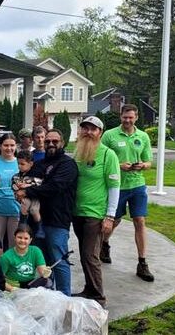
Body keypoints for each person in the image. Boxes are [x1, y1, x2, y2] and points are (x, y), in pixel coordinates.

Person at [15, 128, 77, 296]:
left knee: (58, 260)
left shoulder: (67, 164)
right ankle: (46, 296)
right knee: (41, 262)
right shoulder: (39, 164)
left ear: (62, 143)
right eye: (48, 141)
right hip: (36, 223)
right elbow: (27, 180)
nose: (50, 144)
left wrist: (28, 191)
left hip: (57, 220)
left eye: (54, 141)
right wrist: (21, 189)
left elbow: (54, 187)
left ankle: (64, 297)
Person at [100, 104, 154, 281]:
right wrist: (118, 165)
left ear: (136, 117)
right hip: (117, 186)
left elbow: (149, 162)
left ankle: (142, 262)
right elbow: (101, 158)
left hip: (137, 185)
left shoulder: (143, 136)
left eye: (131, 117)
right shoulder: (109, 135)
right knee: (114, 221)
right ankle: (104, 243)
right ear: (120, 117)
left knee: (140, 221)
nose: (128, 120)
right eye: (125, 117)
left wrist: (142, 165)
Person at [72, 116, 120, 307]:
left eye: (93, 129)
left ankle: (99, 297)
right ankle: (89, 289)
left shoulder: (108, 155)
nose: (88, 132)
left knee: (90, 255)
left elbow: (114, 187)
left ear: (100, 133)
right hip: (78, 212)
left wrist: (110, 216)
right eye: (85, 128)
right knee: (85, 254)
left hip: (96, 214)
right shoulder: (78, 152)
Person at [0, 226, 50, 291]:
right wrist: (12, 289)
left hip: (31, 283)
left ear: (30, 240)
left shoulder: (36, 251)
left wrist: (45, 273)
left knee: (47, 281)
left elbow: (42, 272)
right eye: (19, 237)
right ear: (14, 238)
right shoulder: (6, 257)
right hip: (13, 286)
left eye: (26, 238)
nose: (22, 240)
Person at [12, 150, 44, 238]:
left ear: (31, 164)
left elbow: (41, 183)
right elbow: (13, 186)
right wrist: (17, 187)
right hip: (24, 198)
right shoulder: (17, 176)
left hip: (34, 197)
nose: (19, 166)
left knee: (34, 210)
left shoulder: (36, 174)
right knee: (24, 205)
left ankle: (40, 228)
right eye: (18, 164)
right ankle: (22, 225)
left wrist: (27, 185)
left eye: (22, 164)